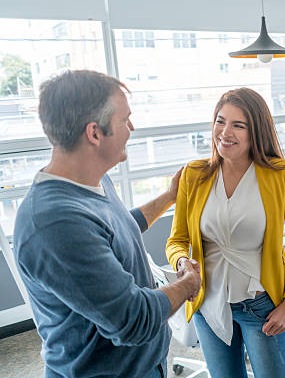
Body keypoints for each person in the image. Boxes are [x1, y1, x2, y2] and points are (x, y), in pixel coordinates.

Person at [12, 70, 201, 378]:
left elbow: (119, 228)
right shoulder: (54, 223)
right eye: (125, 120)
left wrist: (169, 197)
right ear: (95, 133)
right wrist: (188, 284)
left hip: (143, 366)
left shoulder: (91, 181)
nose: (132, 127)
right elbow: (134, 320)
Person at [165, 87, 285, 378]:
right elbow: (176, 240)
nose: (225, 132)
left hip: (263, 307)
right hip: (209, 304)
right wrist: (182, 262)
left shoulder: (278, 174)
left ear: (255, 131)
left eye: (237, 125)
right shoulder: (194, 175)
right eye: (220, 121)